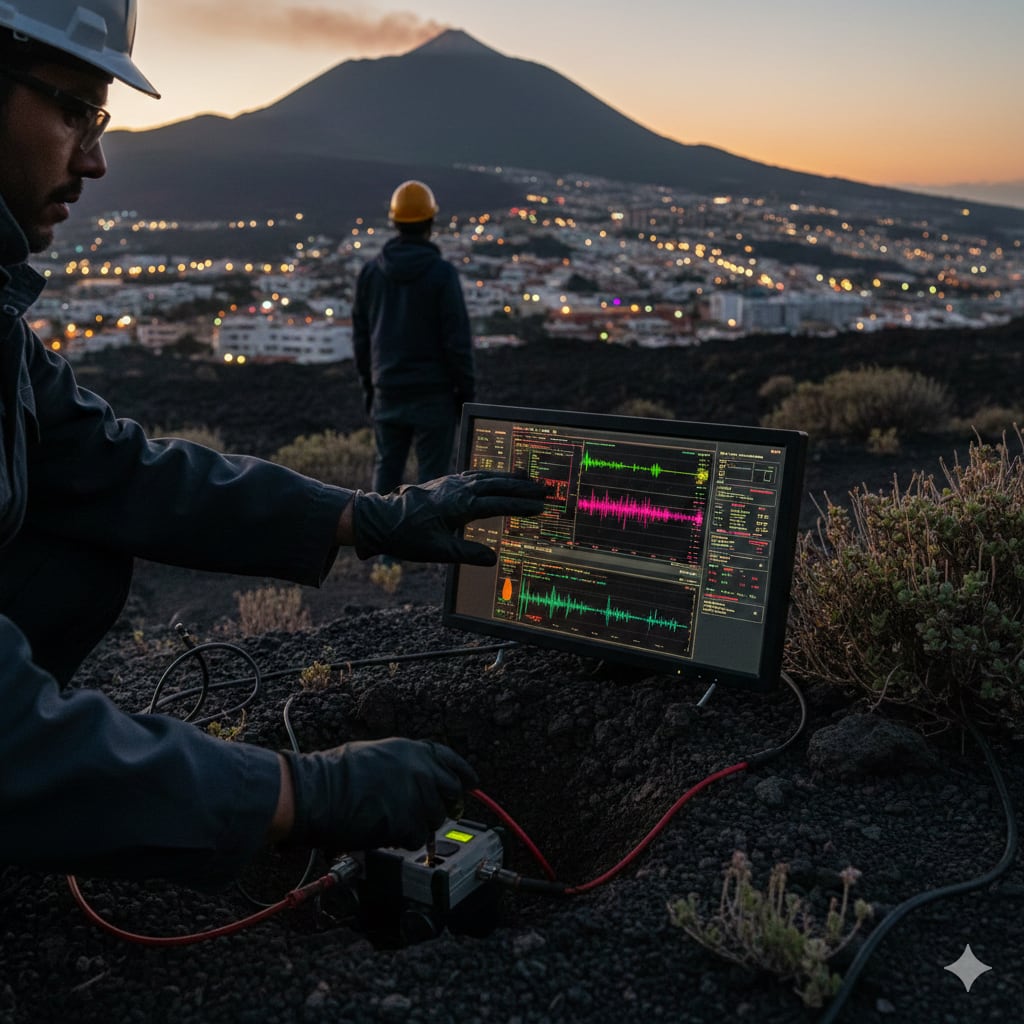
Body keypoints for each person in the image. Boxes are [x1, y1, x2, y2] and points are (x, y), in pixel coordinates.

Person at [0, 1, 546, 888]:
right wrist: (299, 795)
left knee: (81, 533)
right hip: (427, 400)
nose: (96, 158)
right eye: (71, 107)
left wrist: (368, 515)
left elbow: (119, 469)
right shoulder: (438, 271)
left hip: (388, 398)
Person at [353, 179, 476, 501]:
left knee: (386, 471)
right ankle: (427, 547)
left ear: (394, 222)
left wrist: (370, 387)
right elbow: (457, 341)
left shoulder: (370, 273)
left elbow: (361, 338)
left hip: (387, 389)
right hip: (434, 393)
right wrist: (466, 392)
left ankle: (384, 549)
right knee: (434, 480)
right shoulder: (442, 274)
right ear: (430, 223)